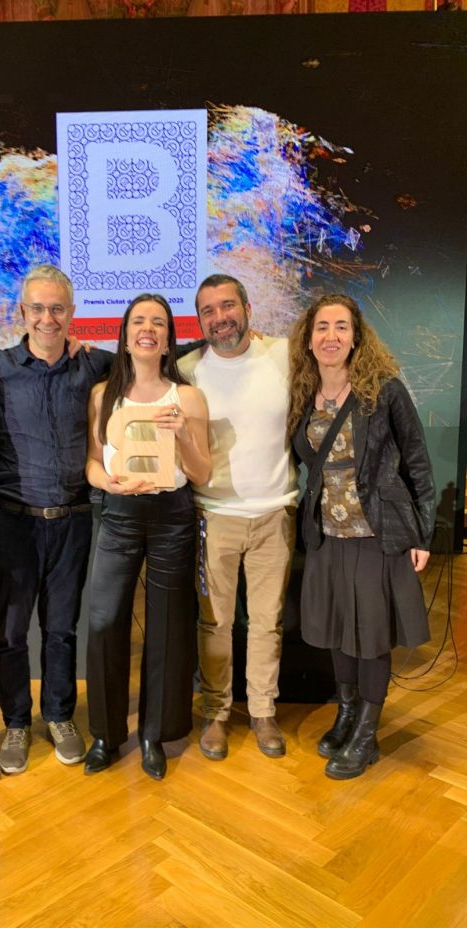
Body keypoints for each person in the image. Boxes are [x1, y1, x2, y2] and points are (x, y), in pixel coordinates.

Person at [288, 293, 435, 779]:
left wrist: (424, 533)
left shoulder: (384, 391)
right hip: (328, 535)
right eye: (322, 327)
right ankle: (347, 713)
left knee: (370, 636)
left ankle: (367, 732)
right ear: (308, 339)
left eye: (341, 327)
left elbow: (417, 462)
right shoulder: (303, 393)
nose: (331, 336)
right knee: (338, 629)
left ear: (356, 337)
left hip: (378, 534)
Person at [0, 266, 115, 773]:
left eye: (57, 308)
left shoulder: (95, 365)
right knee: (11, 631)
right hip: (12, 521)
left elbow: (153, 359)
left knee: (61, 628)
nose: (47, 318)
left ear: (71, 313)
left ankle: (60, 715)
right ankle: (16, 723)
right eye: (37, 308)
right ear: (22, 312)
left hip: (72, 519)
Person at [84, 294, 211, 779]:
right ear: (124, 335)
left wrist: (182, 435)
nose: (148, 329)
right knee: (104, 621)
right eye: (139, 321)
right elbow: (92, 462)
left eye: (158, 322)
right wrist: (106, 482)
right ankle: (106, 734)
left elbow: (202, 472)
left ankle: (154, 734)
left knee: (168, 626)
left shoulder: (188, 398)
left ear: (168, 339)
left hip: (172, 515)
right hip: (118, 513)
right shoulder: (103, 395)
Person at [178, 274, 298, 761]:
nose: (219, 317)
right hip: (213, 515)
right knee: (215, 623)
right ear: (199, 320)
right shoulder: (186, 370)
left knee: (267, 622)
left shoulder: (284, 355)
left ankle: (264, 711)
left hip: (275, 513)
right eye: (208, 310)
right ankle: (216, 712)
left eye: (228, 305)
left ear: (247, 309)